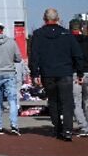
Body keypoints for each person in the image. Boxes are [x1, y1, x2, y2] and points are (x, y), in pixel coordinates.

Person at [28, 8, 86, 142]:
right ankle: (67, 130)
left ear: (44, 19)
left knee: (53, 101)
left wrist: (34, 73)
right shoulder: (66, 34)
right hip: (65, 72)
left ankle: (57, 127)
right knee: (67, 102)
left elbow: (34, 55)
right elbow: (77, 54)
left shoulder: (38, 34)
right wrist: (79, 72)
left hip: (47, 73)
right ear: (58, 18)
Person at [73, 19, 88, 135]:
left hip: (76, 73)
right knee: (87, 101)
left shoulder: (71, 41)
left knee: (76, 101)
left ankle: (83, 126)